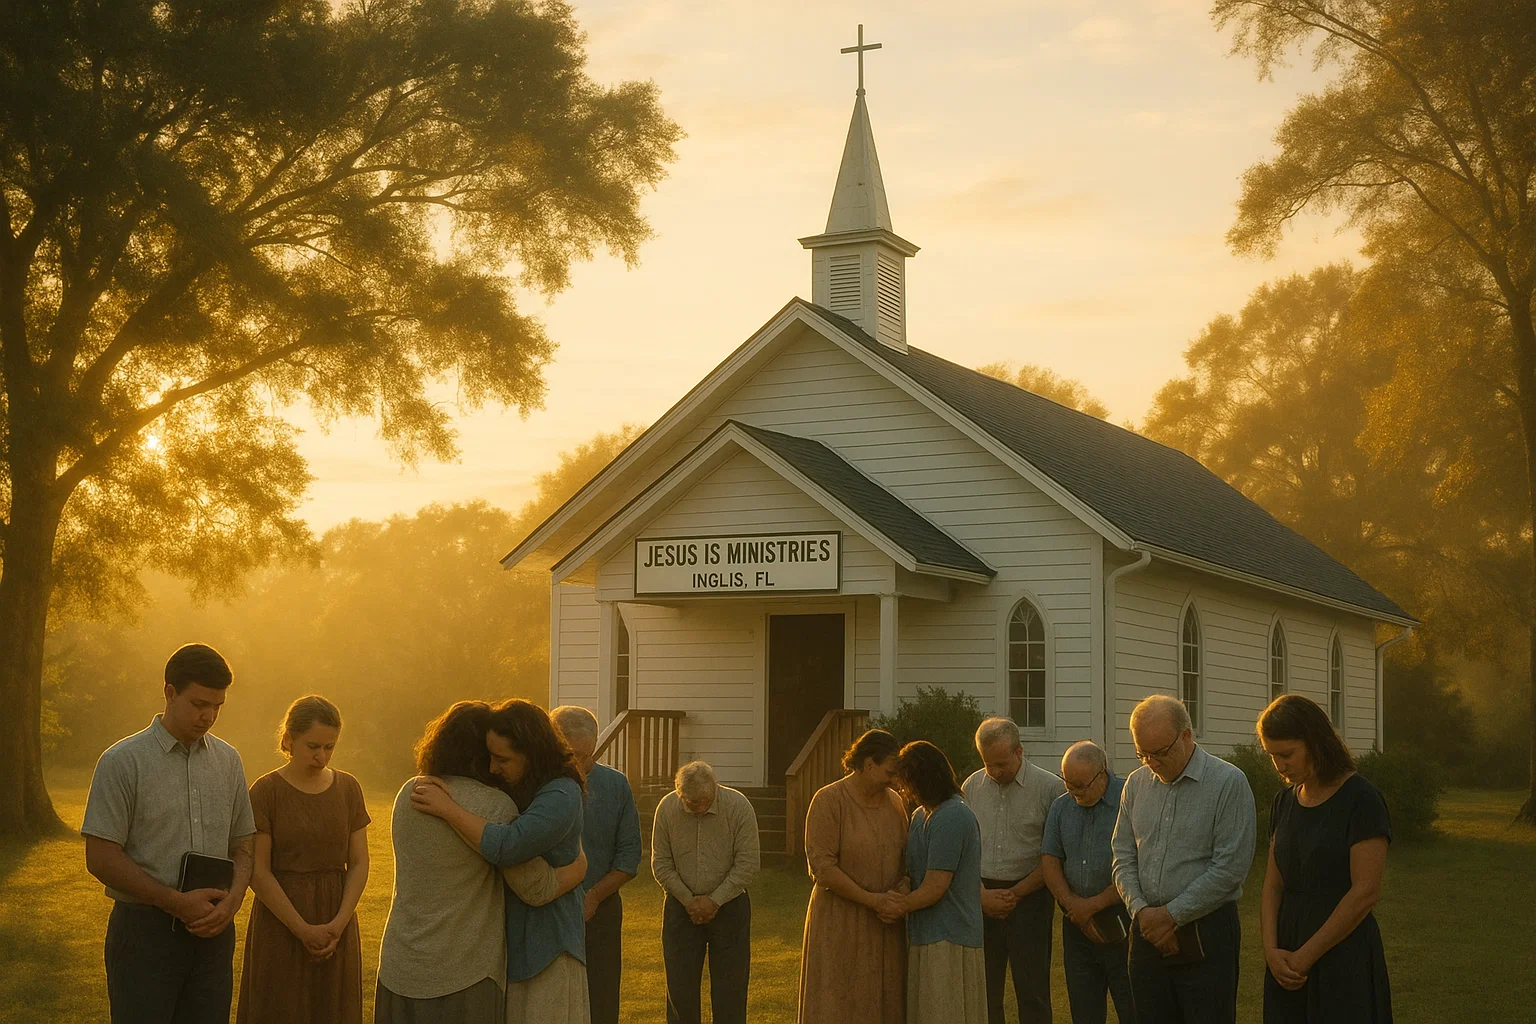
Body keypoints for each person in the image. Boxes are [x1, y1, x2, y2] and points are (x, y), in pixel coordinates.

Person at [376, 700, 588, 1023]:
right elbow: (537, 888)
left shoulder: (410, 792)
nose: (494, 768)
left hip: (398, 965)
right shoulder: (494, 806)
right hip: (463, 974)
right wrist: (580, 867)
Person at [81, 642, 256, 1024]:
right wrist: (174, 901)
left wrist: (234, 900)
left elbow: (244, 843)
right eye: (198, 704)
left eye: (217, 706)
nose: (208, 716)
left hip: (214, 930)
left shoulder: (228, 761)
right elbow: (100, 856)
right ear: (169, 692)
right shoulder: (122, 762)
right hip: (144, 933)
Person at [1112, 694, 1256, 1024]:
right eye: (1142, 754)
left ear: (1186, 736)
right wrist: (1141, 911)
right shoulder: (1135, 784)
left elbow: (1230, 868)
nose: (1151, 762)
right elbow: (1122, 854)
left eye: (1159, 752)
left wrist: (1173, 915)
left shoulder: (1228, 783)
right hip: (1146, 930)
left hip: (1206, 931)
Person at [1258, 694, 1392, 1023]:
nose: (1279, 766)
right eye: (1272, 756)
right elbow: (1273, 886)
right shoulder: (1284, 802)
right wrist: (1272, 951)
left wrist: (1305, 957)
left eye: (1286, 754)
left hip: (1341, 950)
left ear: (1316, 743)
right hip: (1286, 948)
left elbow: (1365, 892)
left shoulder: (1361, 800)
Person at [237, 695, 369, 1024]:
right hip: (282, 921)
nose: (321, 756)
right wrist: (301, 929)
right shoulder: (266, 791)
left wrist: (337, 924)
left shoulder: (348, 788)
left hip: (335, 918)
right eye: (313, 746)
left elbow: (359, 863)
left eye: (329, 747)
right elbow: (259, 872)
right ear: (288, 740)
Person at [797, 728, 909, 1024]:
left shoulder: (896, 802)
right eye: (889, 771)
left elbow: (906, 858)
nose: (894, 779)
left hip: (885, 924)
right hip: (840, 920)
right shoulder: (829, 800)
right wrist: (872, 900)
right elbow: (823, 867)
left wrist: (899, 894)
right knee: (838, 999)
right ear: (868, 764)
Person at [961, 717, 1064, 1024]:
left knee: (1032, 989)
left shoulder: (1050, 788)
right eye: (988, 764)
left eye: (1002, 763)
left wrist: (1016, 893)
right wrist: (982, 895)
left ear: (1020, 751)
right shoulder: (971, 786)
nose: (995, 771)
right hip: (981, 896)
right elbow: (966, 849)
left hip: (1031, 897)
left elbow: (1055, 854)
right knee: (985, 988)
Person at [882, 739, 986, 1024]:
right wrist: (902, 887)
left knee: (944, 1013)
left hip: (950, 936)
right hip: (925, 933)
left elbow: (935, 887)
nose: (902, 789)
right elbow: (914, 873)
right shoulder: (919, 816)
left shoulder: (953, 815)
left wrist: (896, 907)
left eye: (906, 782)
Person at [551, 705, 642, 1024]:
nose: (584, 762)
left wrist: (594, 897)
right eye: (575, 754)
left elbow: (630, 855)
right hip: (549, 910)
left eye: (590, 753)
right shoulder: (535, 786)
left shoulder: (616, 785)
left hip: (600, 910)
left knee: (601, 1001)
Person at [652, 760, 761, 1024]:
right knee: (680, 988)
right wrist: (690, 901)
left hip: (730, 906)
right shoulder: (666, 808)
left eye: (706, 801)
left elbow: (748, 864)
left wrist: (714, 901)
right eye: (692, 804)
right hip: (680, 906)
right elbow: (661, 863)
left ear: (716, 788)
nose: (700, 808)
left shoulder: (738, 806)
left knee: (731, 989)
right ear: (679, 794)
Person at [1041, 740, 1136, 1024]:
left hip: (1122, 918)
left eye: (1081, 785)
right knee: (1084, 1009)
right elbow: (1050, 859)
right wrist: (1074, 908)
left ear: (1102, 773)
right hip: (1076, 924)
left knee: (1132, 1005)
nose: (1074, 792)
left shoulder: (1129, 799)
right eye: (1068, 783)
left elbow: (1138, 863)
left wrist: (1092, 906)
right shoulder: (1061, 807)